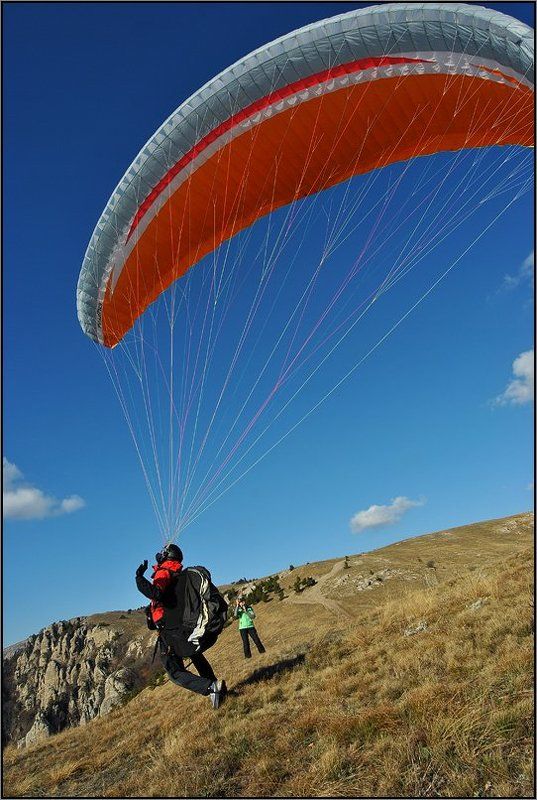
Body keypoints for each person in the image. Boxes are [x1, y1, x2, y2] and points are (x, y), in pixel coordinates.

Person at [135, 543, 226, 708]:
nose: (159, 554)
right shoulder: (175, 572)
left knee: (175, 671)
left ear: (167, 556)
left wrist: (139, 578)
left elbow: (156, 593)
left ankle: (211, 688)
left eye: (163, 552)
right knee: (194, 654)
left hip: (170, 631)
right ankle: (215, 686)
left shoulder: (164, 572)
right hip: (181, 627)